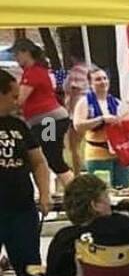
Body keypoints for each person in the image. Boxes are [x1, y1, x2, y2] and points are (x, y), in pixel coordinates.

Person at [0, 71, 56, 276]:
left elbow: (39, 162)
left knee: (30, 265)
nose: (17, 101)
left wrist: (45, 194)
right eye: (12, 96)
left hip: (21, 209)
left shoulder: (18, 126)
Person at [12, 38, 72, 195]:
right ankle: (63, 189)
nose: (15, 58)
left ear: (26, 53)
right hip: (46, 120)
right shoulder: (35, 71)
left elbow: (19, 100)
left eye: (17, 54)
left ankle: (73, 190)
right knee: (48, 156)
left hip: (49, 120)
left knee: (49, 156)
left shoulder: (33, 73)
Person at [72, 65, 129, 189]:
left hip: (120, 152)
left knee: (123, 189)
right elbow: (78, 125)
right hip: (97, 154)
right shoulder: (85, 102)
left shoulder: (116, 102)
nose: (103, 82)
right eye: (98, 79)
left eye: (105, 78)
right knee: (101, 191)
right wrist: (101, 119)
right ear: (90, 83)